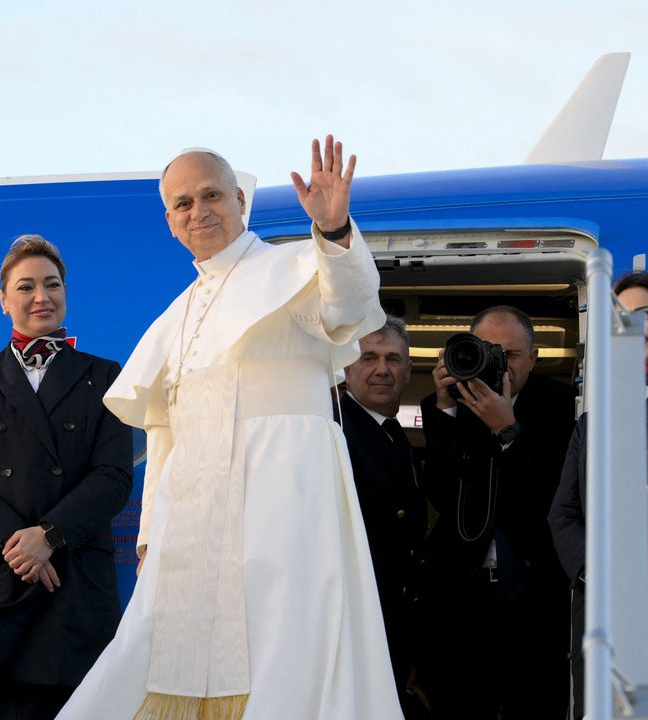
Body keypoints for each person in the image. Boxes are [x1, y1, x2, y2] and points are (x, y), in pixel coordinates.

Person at [58, 137, 404, 720]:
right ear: (169, 222)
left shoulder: (291, 267)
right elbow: (167, 432)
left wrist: (337, 230)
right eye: (184, 203)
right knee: (155, 647)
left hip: (282, 494)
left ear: (240, 199)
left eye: (212, 195)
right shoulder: (177, 313)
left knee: (284, 644)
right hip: (192, 518)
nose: (200, 212)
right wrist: (149, 534)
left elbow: (348, 304)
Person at [0, 235, 133, 720]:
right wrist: (19, 542)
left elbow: (113, 476)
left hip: (71, 587)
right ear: (4, 301)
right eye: (26, 287)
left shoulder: (106, 376)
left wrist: (50, 536)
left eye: (52, 284)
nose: (41, 296)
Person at [418, 305, 575, 720]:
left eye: (511, 354)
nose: (498, 363)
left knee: (536, 703)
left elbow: (557, 497)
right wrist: (446, 409)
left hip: (535, 598)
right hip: (461, 599)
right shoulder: (448, 406)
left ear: (535, 356)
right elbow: (439, 495)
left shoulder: (566, 406)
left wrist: (508, 430)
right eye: (488, 350)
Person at [548, 270, 648, 719]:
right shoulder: (591, 420)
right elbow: (562, 514)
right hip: (596, 605)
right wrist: (592, 574)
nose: (635, 325)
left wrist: (629, 570)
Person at [338, 317, 431, 718]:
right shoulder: (333, 428)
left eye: (394, 359)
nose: (382, 369)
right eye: (368, 358)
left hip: (391, 620)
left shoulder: (393, 434)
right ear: (345, 368)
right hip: (352, 624)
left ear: (409, 371)